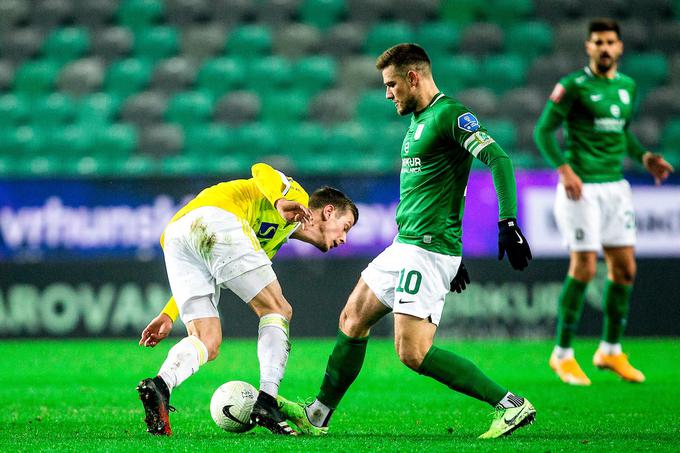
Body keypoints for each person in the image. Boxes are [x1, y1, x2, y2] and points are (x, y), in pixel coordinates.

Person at [278, 43, 535, 439]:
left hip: (427, 250)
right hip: (407, 244)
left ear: (413, 77)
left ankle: (511, 405)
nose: (387, 93)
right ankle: (318, 414)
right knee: (352, 318)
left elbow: (498, 159)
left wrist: (508, 222)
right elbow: (440, 188)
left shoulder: (450, 115)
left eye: (391, 84)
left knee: (412, 353)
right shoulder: (417, 122)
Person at [136, 162, 358, 436]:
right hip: (217, 217)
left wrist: (169, 314)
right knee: (277, 308)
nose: (345, 238)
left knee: (208, 340)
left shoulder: (272, 240)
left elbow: (209, 269)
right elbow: (261, 169)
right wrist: (280, 200)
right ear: (328, 211)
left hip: (177, 234)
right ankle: (266, 401)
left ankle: (161, 385)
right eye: (345, 226)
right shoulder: (296, 197)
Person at [534, 19, 674, 386]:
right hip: (582, 189)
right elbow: (543, 130)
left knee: (625, 270)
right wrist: (565, 171)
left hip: (616, 188)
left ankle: (610, 350)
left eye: (611, 42)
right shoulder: (572, 86)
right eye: (598, 42)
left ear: (620, 47)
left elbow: (622, 132)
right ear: (588, 47)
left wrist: (644, 157)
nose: (605, 48)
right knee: (583, 268)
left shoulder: (627, 87)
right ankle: (562, 354)